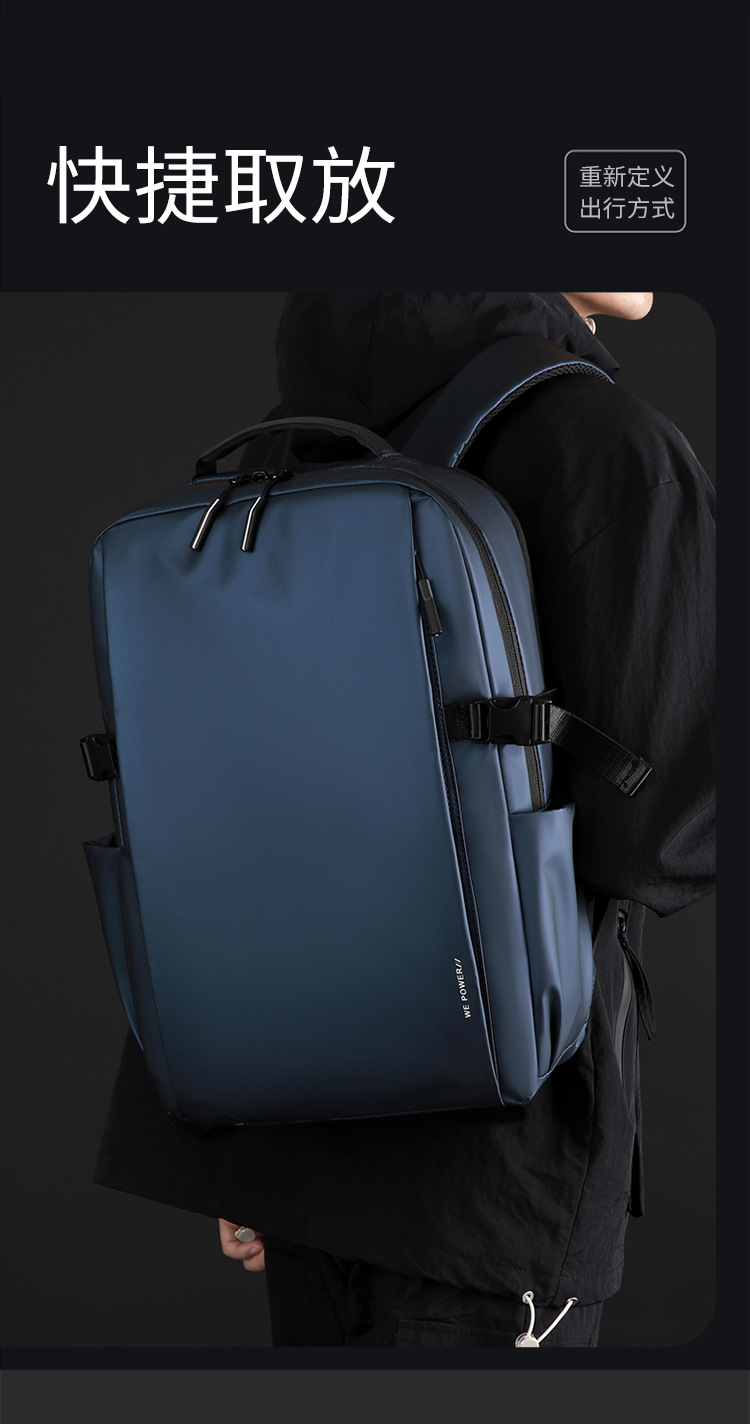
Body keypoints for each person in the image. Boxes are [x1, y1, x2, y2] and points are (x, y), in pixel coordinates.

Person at [94, 292, 715, 1348]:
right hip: (494, 1185)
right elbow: (662, 838)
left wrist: (255, 1156)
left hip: (283, 1128)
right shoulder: (611, 447)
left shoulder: (295, 432)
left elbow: (250, 795)